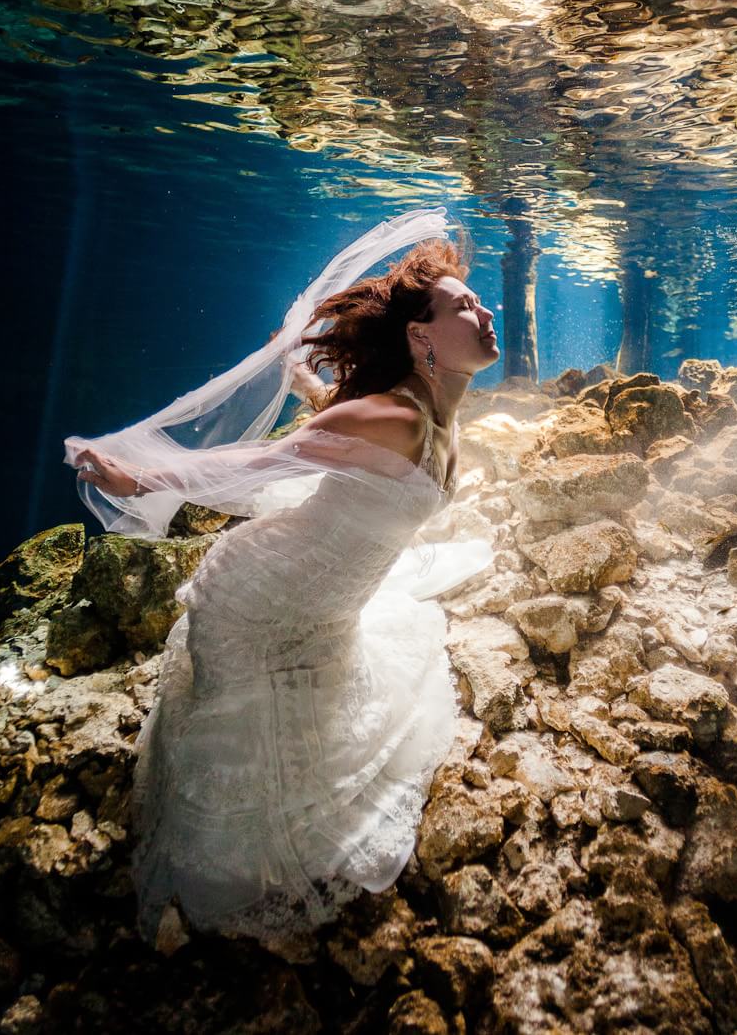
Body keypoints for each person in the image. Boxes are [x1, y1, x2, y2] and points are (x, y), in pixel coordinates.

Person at [64, 210, 500, 943]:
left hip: (324, 604)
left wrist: (301, 378)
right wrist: (138, 479)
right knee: (236, 823)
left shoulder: (420, 408)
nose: (483, 310)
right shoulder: (395, 415)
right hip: (259, 598)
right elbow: (257, 464)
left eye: (477, 301)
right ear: (421, 337)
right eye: (462, 306)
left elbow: (339, 429)